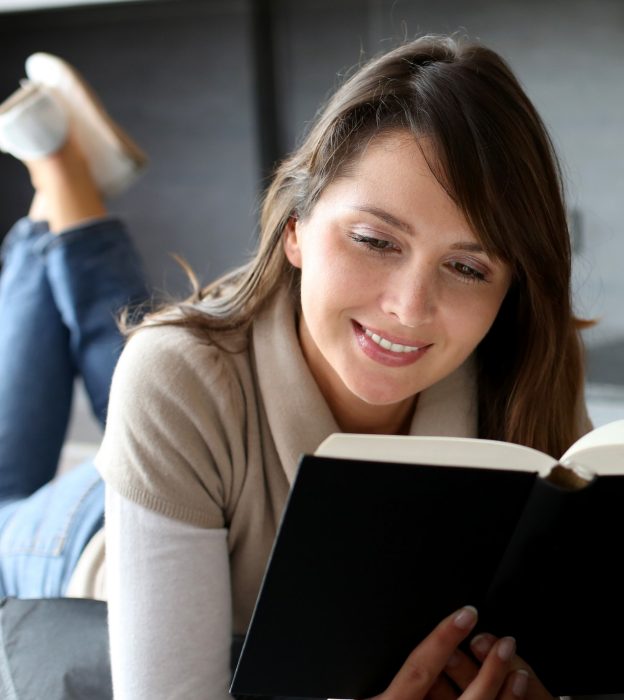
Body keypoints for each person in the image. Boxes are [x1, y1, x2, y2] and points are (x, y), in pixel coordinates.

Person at [0, 38, 589, 700]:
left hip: (204, 444)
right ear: (294, 229)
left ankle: (57, 176)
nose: (410, 309)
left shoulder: (519, 376)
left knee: (149, 351)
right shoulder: (178, 376)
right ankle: (57, 168)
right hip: (75, 537)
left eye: (467, 266)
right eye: (374, 240)